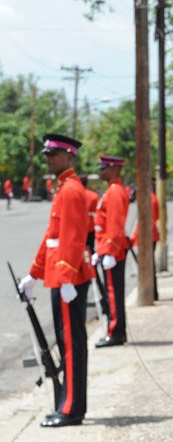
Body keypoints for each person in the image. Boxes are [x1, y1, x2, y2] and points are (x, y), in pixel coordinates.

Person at [18, 133, 94, 427]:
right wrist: (33, 275)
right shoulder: (64, 189)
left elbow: (74, 239)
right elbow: (52, 239)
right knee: (66, 342)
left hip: (68, 279)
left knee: (71, 343)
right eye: (47, 155)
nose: (48, 159)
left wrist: (65, 278)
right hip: (62, 275)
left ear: (68, 156)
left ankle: (72, 408)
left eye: (53, 155)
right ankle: (68, 403)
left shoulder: (72, 190)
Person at [94, 155, 130, 348]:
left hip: (112, 252)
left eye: (104, 168)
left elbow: (115, 226)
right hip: (108, 250)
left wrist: (109, 251)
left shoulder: (114, 191)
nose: (101, 171)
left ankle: (115, 332)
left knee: (113, 294)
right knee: (112, 294)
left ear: (114, 170)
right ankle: (116, 330)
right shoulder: (112, 190)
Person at [130, 179, 160, 301]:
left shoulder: (150, 199)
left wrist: (135, 237)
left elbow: (147, 222)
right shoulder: (150, 198)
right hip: (149, 236)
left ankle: (152, 293)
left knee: (148, 266)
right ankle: (153, 293)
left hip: (149, 237)